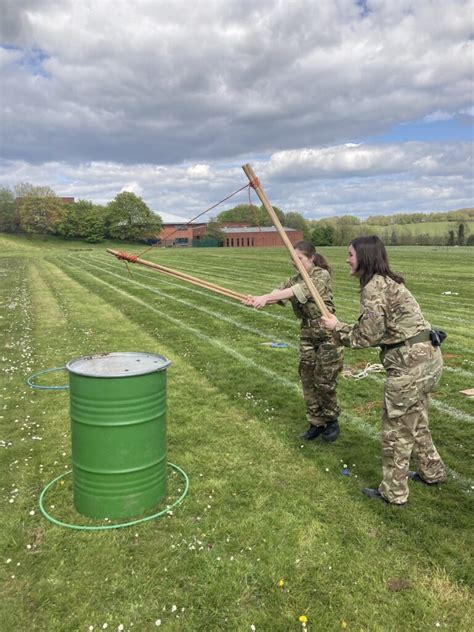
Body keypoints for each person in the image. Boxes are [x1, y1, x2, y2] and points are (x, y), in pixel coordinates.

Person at [320, 235, 446, 505]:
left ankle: (394, 492)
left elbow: (367, 336)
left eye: (351, 255)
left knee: (396, 431)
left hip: (410, 366)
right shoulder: (388, 282)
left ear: (364, 257)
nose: (346, 259)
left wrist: (336, 328)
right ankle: (432, 471)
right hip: (429, 360)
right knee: (417, 420)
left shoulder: (374, 288)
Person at [243, 241, 344, 442]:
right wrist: (257, 299)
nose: (296, 263)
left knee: (324, 380)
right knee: (307, 376)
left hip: (326, 331)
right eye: (293, 259)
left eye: (300, 259)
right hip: (307, 332)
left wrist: (265, 297)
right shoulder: (294, 278)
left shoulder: (320, 275)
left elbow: (298, 292)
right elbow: (278, 293)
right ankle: (315, 422)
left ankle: (331, 421)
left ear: (311, 258)